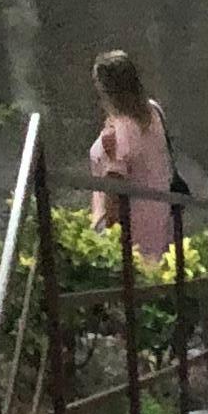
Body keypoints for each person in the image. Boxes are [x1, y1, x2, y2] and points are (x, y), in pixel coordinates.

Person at [84, 47, 178, 263]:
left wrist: (102, 234)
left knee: (133, 278)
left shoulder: (117, 135)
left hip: (131, 228)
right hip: (159, 216)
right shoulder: (153, 111)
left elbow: (114, 194)